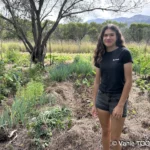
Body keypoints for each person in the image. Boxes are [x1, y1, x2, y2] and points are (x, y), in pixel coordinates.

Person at [92, 24, 133, 150]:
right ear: (102, 38)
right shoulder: (100, 55)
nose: (108, 37)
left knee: (115, 138)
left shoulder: (124, 53)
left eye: (111, 35)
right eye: (105, 35)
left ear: (117, 37)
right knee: (105, 132)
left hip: (117, 98)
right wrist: (94, 103)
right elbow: (97, 82)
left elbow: (129, 81)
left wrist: (120, 105)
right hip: (102, 98)